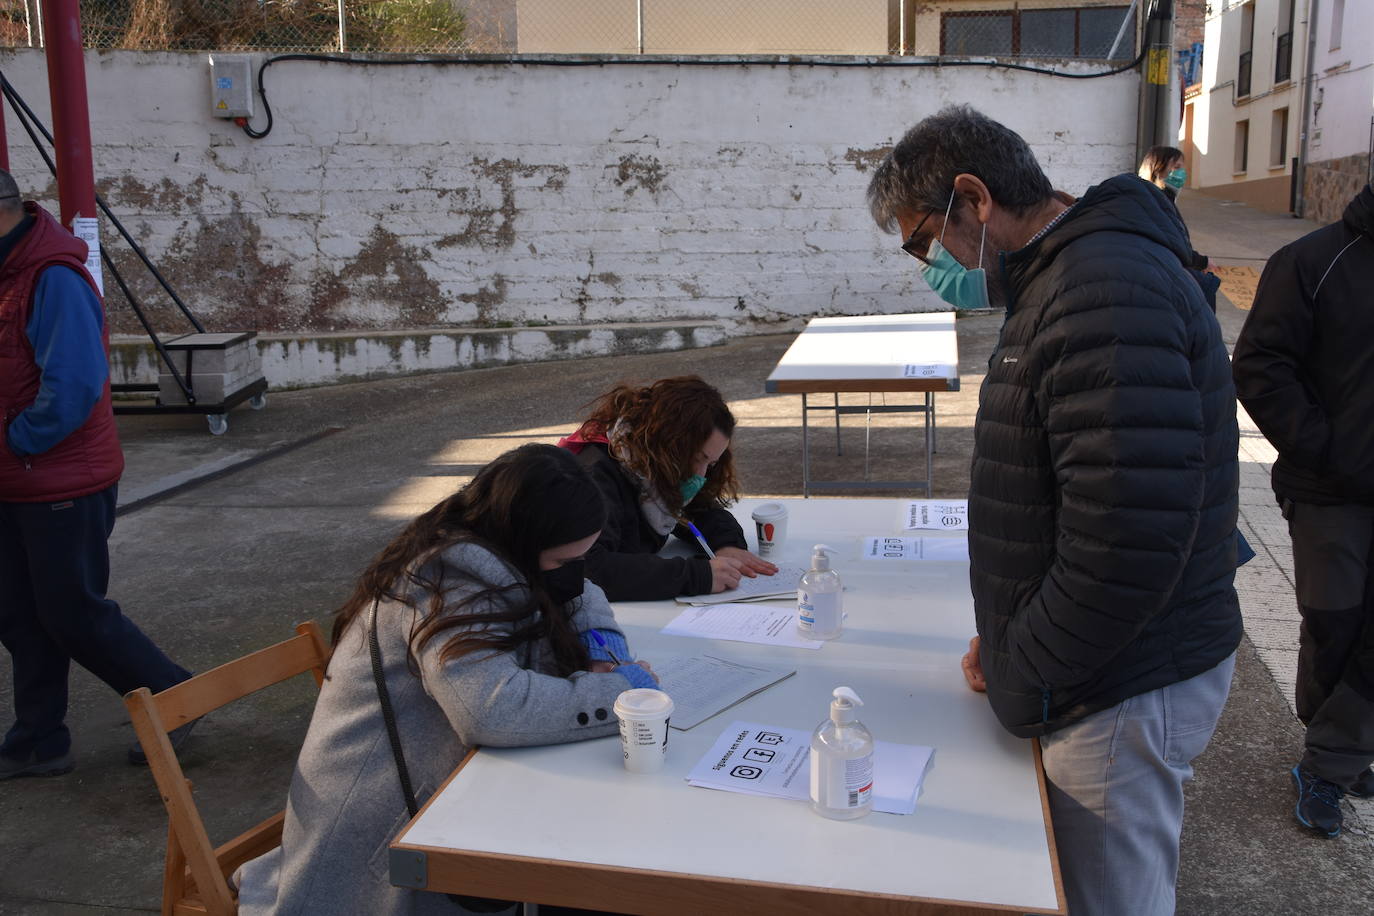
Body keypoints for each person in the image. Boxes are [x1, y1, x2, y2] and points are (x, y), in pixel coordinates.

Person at [867, 107, 1242, 916]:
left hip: (1122, 683)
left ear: (975, 198)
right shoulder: (1068, 278)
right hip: (1107, 665)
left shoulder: (1098, 289)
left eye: (926, 238)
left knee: (1108, 901)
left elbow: (1124, 547)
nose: (931, 263)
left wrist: (1022, 665)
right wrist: (1009, 627)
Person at [236, 444, 658, 914]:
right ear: (524, 536)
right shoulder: (451, 582)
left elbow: (583, 589)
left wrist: (604, 648)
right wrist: (624, 692)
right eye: (561, 561)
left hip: (443, 801)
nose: (571, 572)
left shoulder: (497, 545)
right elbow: (494, 711)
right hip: (380, 844)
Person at [0, 170, 192, 779]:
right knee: (16, 613)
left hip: (61, 481)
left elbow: (74, 386)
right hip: (15, 479)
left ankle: (177, 699)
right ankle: (40, 738)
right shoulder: (8, 278)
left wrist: (13, 441)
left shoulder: (52, 278)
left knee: (70, 612)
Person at [1232, 183, 1374, 838]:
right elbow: (1259, 363)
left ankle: (1330, 760)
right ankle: (1339, 740)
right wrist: (1327, 450)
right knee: (1333, 622)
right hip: (1328, 490)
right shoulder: (1313, 261)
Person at [558, 376, 776, 600]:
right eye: (697, 458)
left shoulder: (653, 464)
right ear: (671, 443)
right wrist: (697, 576)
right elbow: (589, 568)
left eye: (710, 464)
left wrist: (727, 544)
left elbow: (696, 510)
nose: (700, 475)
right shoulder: (595, 476)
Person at [1138, 145, 1220, 311]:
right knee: (1207, 285)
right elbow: (1173, 243)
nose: (1181, 173)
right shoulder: (1157, 201)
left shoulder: (1162, 199)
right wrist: (1202, 262)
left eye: (1183, 168)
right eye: (1176, 167)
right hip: (1159, 270)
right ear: (1157, 169)